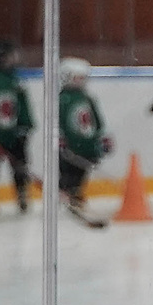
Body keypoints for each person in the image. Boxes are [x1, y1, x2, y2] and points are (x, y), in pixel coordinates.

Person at [0, 38, 34, 215]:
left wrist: (25, 126)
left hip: (10, 133)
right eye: (8, 56)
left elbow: (22, 105)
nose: (13, 59)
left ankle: (21, 197)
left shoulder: (13, 78)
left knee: (18, 167)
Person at [55, 57, 111, 228]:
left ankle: (76, 195)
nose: (82, 81)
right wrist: (60, 137)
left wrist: (102, 137)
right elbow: (59, 121)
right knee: (68, 172)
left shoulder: (87, 98)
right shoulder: (62, 99)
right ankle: (68, 196)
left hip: (87, 146)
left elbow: (97, 121)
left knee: (82, 172)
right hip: (71, 146)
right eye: (78, 77)